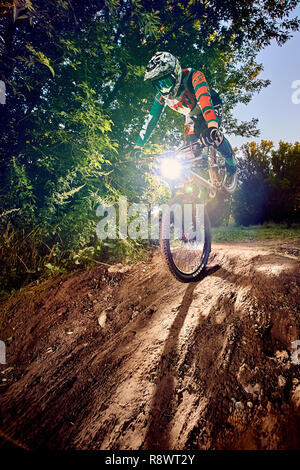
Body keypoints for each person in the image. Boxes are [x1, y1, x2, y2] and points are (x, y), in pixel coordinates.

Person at [131, 51, 237, 176]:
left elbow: (204, 100)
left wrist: (212, 127)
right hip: (191, 114)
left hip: (211, 104)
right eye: (159, 85)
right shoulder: (161, 96)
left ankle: (231, 160)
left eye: (166, 82)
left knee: (212, 136)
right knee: (189, 149)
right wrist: (138, 147)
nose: (164, 89)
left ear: (175, 73)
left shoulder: (194, 76)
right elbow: (151, 119)